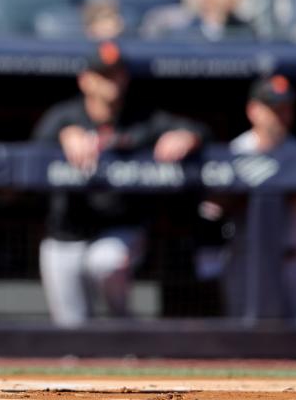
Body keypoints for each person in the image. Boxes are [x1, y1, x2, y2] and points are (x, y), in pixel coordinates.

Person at [31, 41, 207, 327]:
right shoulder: (65, 117)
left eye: (117, 73)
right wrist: (64, 135)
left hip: (121, 227)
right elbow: (32, 154)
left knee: (106, 262)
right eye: (103, 74)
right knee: (70, 327)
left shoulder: (142, 117)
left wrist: (186, 136)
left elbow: (198, 129)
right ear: (85, 80)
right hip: (66, 232)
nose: (112, 81)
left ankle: (124, 330)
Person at [219, 74, 296, 321]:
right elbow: (213, 208)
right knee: (242, 342)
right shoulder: (235, 151)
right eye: (273, 108)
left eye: (286, 108)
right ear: (253, 110)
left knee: (289, 344)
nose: (280, 115)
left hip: (291, 257)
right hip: (245, 258)